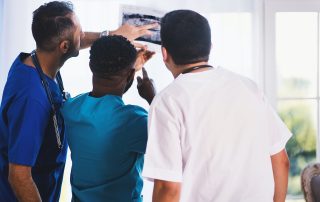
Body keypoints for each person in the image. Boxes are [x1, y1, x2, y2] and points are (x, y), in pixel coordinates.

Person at [0, 1, 157, 201]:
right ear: (64, 46)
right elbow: (19, 176)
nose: (84, 36)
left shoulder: (34, 65)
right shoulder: (32, 99)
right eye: (80, 33)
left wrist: (111, 37)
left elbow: (74, 44)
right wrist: (151, 94)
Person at [142, 10, 291, 202]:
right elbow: (281, 161)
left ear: (164, 53)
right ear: (210, 47)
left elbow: (167, 188)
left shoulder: (167, 101)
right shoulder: (249, 87)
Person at [61, 35, 156, 202]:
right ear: (130, 75)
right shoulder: (134, 121)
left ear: (91, 66)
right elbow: (172, 143)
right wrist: (153, 99)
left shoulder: (70, 108)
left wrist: (129, 71)